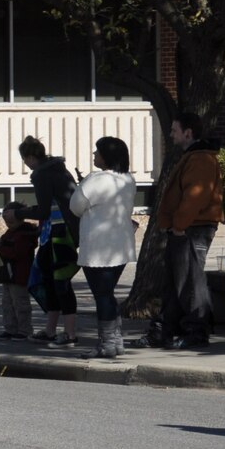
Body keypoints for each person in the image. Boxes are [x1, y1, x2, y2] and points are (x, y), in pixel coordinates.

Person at [154, 111, 222, 350]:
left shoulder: (201, 158)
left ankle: (196, 332)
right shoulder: (194, 156)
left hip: (193, 228)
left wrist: (180, 225)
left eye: (174, 130)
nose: (171, 134)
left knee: (191, 281)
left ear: (188, 132)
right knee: (175, 281)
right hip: (185, 228)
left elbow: (196, 194)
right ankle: (165, 329)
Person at [70, 137, 138, 360]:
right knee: (107, 293)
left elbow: (75, 206)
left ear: (106, 156)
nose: (93, 155)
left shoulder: (96, 179)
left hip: (98, 247)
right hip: (121, 244)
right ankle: (114, 340)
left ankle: (107, 343)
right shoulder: (128, 179)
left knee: (102, 295)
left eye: (97, 152)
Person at [20, 136, 80, 346]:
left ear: (29, 157)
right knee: (49, 280)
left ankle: (70, 334)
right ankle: (51, 329)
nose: (25, 164)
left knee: (60, 282)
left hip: (59, 232)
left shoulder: (41, 174)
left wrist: (19, 214)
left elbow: (44, 209)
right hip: (56, 231)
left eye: (25, 159)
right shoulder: (59, 169)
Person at [0, 203, 39, 340]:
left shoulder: (25, 233)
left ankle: (24, 330)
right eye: (6, 221)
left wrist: (0, 249)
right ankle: (10, 328)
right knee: (7, 304)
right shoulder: (9, 233)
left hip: (19, 274)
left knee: (20, 303)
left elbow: (17, 253)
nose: (8, 224)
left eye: (11, 220)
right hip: (7, 274)